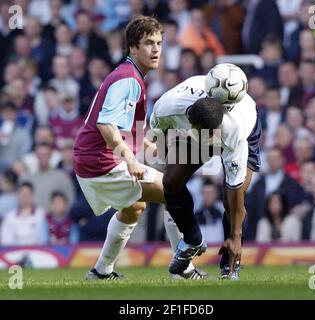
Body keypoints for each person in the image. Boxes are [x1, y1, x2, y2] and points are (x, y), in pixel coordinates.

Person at [73, 15, 223, 280]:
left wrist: (154, 148)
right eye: (148, 43)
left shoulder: (131, 76)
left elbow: (126, 131)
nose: (155, 50)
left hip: (91, 160)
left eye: (159, 43)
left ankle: (101, 272)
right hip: (101, 161)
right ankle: (184, 269)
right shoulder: (129, 79)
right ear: (132, 47)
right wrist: (131, 161)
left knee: (134, 208)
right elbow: (106, 125)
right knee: (172, 192)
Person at [150, 70, 262, 280]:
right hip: (198, 127)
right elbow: (157, 131)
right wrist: (164, 158)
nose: (208, 142)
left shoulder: (235, 130)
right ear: (190, 122)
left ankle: (230, 266)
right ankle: (192, 239)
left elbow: (235, 189)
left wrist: (236, 236)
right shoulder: (167, 107)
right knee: (171, 181)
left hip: (244, 131)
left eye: (210, 137)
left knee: (231, 203)